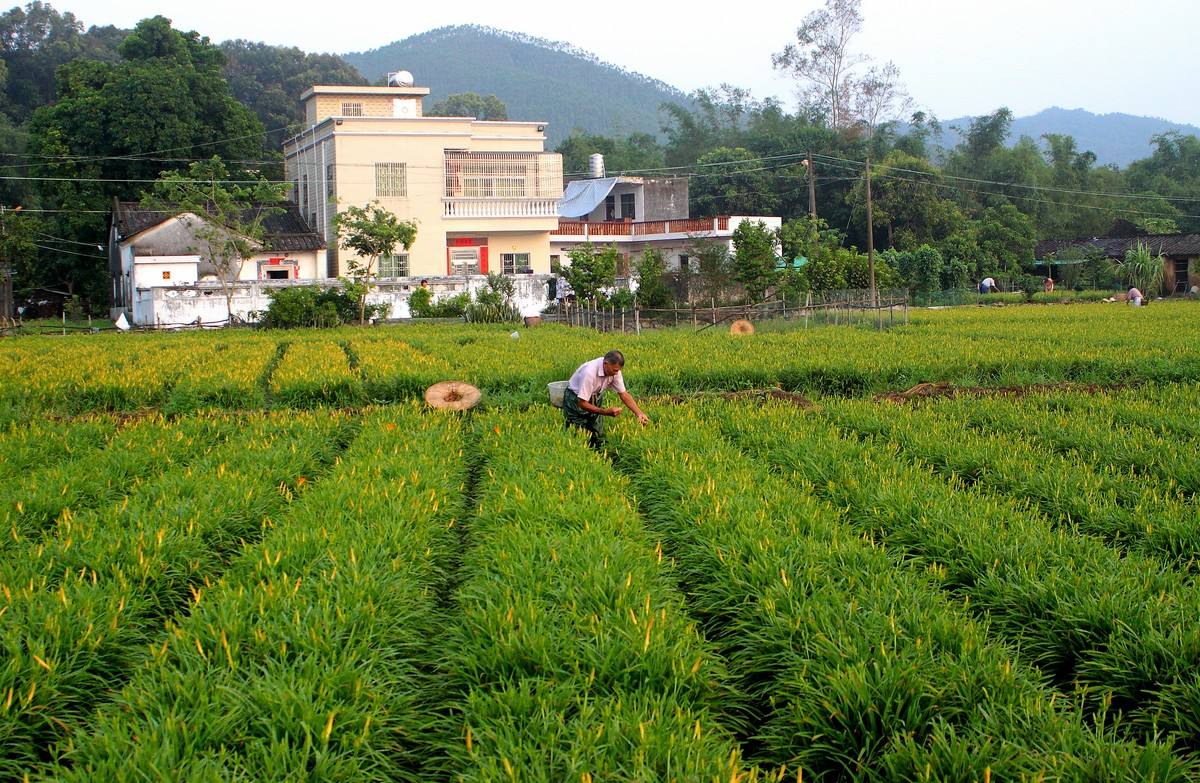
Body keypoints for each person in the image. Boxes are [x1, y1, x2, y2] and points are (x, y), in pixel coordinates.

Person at [563, 349, 649, 448]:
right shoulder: (589, 372)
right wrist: (605, 412)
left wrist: (639, 413)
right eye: (615, 370)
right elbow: (582, 403)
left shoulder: (614, 371)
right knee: (578, 433)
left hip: (595, 396)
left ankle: (598, 452)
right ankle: (581, 451)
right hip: (575, 400)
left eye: (618, 370)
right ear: (606, 364)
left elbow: (624, 394)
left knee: (598, 433)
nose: (616, 373)